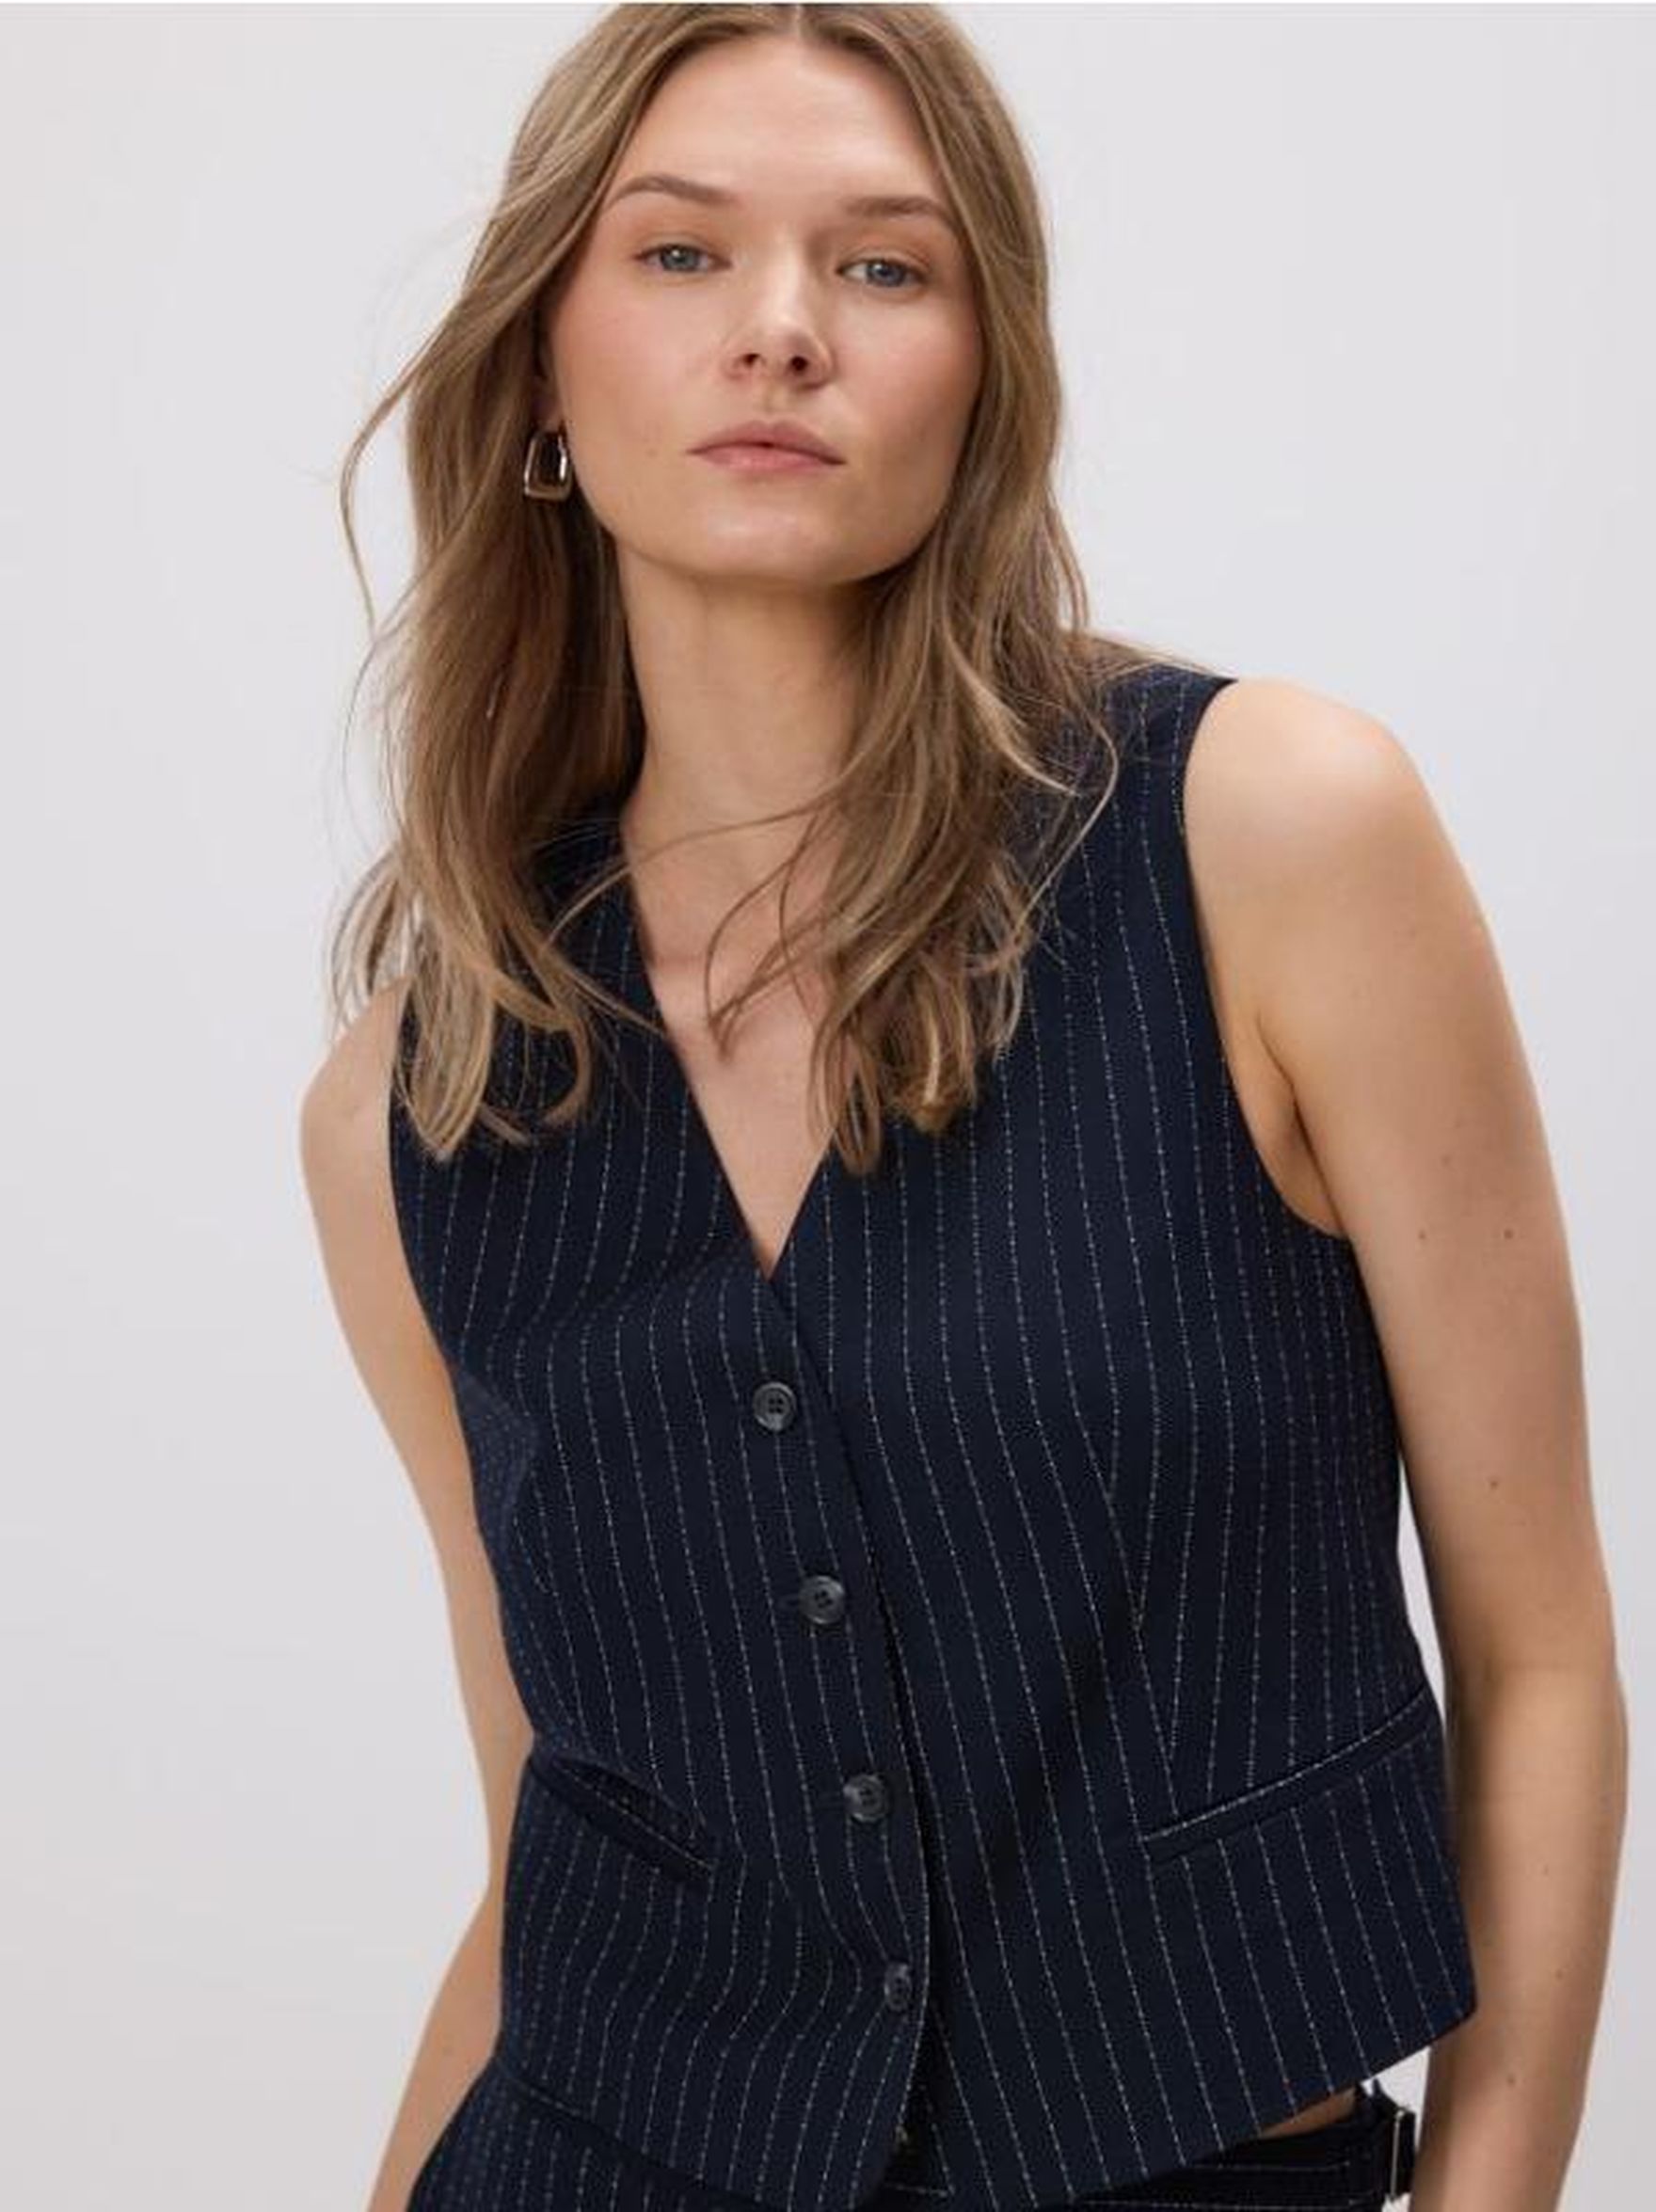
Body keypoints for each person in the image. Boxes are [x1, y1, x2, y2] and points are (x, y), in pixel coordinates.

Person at [299, 9, 1625, 2211]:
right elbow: (547, 1823)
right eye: (679, 253)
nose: (782, 330)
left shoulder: (1264, 839)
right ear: (539, 368)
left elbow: (1541, 1654)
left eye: (884, 266)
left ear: (986, 377)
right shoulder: (413, 1105)